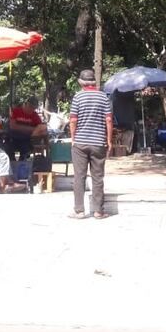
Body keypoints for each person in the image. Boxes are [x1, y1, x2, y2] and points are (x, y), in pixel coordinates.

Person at [69, 69, 113, 219]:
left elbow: (73, 120)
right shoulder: (103, 97)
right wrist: (108, 140)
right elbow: (108, 119)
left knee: (79, 177)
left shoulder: (78, 97)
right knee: (98, 177)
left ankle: (79, 210)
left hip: (80, 143)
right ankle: (98, 211)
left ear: (81, 83)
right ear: (94, 82)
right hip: (98, 143)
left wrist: (73, 137)